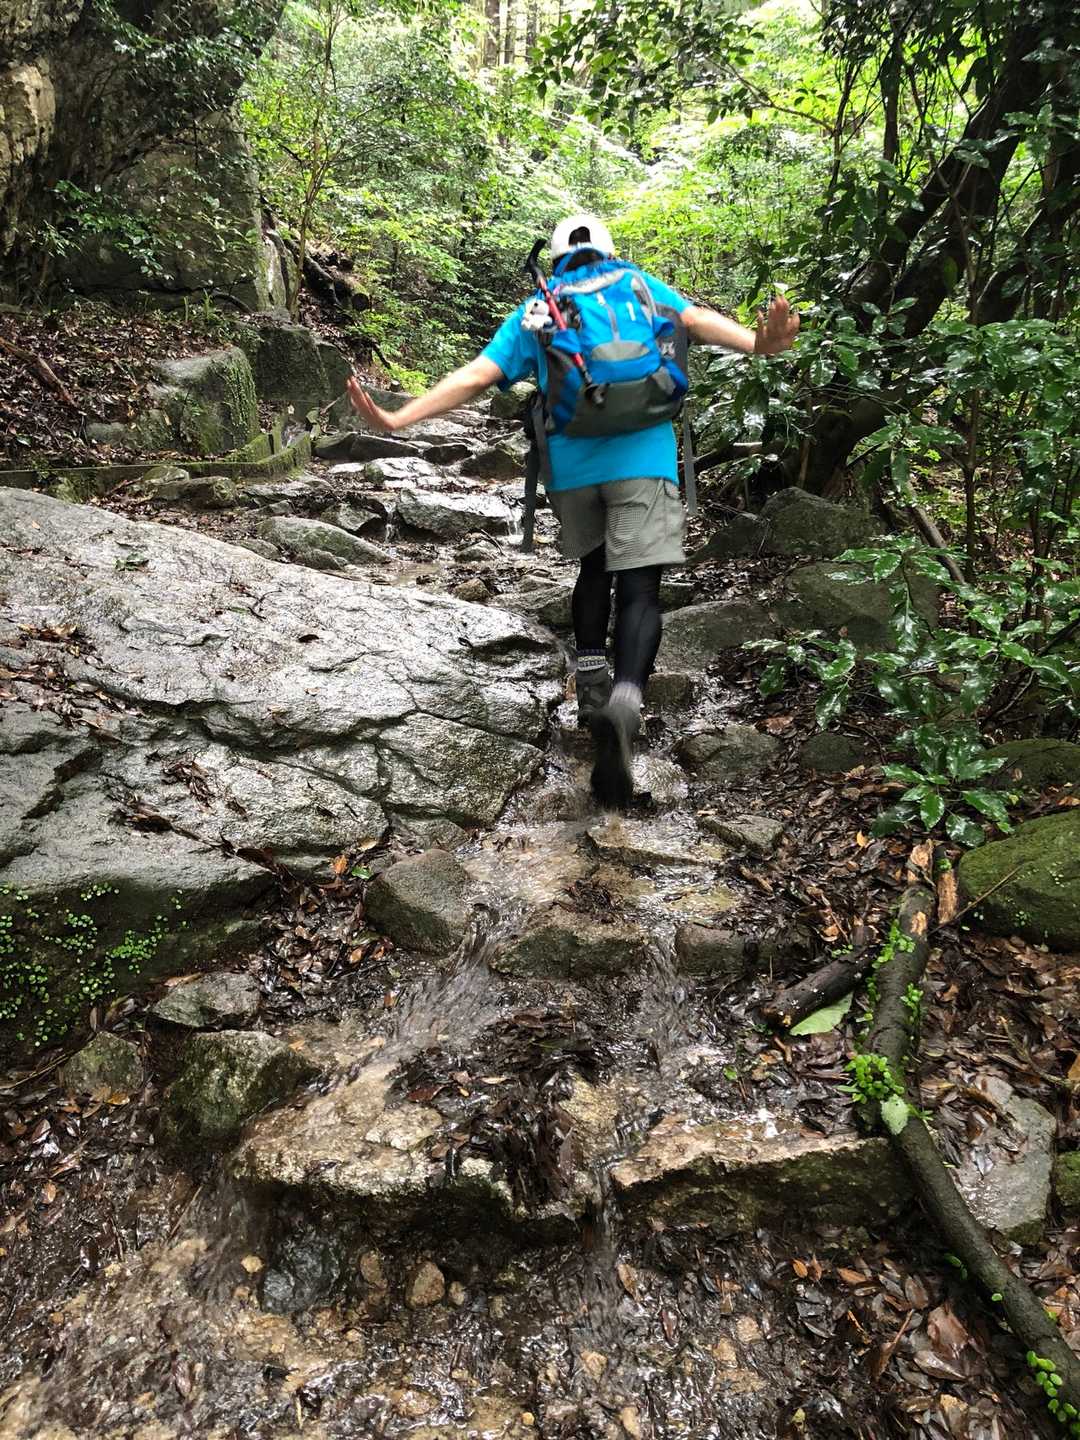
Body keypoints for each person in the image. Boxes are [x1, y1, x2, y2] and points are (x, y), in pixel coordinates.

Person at [348, 212, 799, 809]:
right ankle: (627, 696)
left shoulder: (539, 308)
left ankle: (590, 680)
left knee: (593, 567)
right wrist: (761, 343)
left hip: (572, 468)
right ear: (608, 252)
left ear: (556, 257)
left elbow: (479, 375)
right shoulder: (637, 287)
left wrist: (400, 416)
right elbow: (696, 322)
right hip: (645, 459)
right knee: (639, 588)